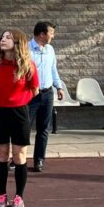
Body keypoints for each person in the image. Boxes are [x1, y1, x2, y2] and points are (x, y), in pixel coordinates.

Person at [0, 29, 39, 207]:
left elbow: (35, 90)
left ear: (17, 43)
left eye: (8, 37)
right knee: (2, 155)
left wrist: (19, 100)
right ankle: (2, 195)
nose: (3, 40)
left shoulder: (28, 65)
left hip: (19, 113)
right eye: (2, 37)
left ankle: (19, 197)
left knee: (19, 156)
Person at [28, 20, 63, 172]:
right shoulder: (26, 49)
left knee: (43, 129)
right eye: (51, 33)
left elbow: (53, 69)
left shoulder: (50, 49)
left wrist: (59, 86)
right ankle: (17, 159)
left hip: (47, 93)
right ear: (42, 34)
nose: (53, 36)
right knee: (24, 128)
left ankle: (39, 160)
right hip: (30, 95)